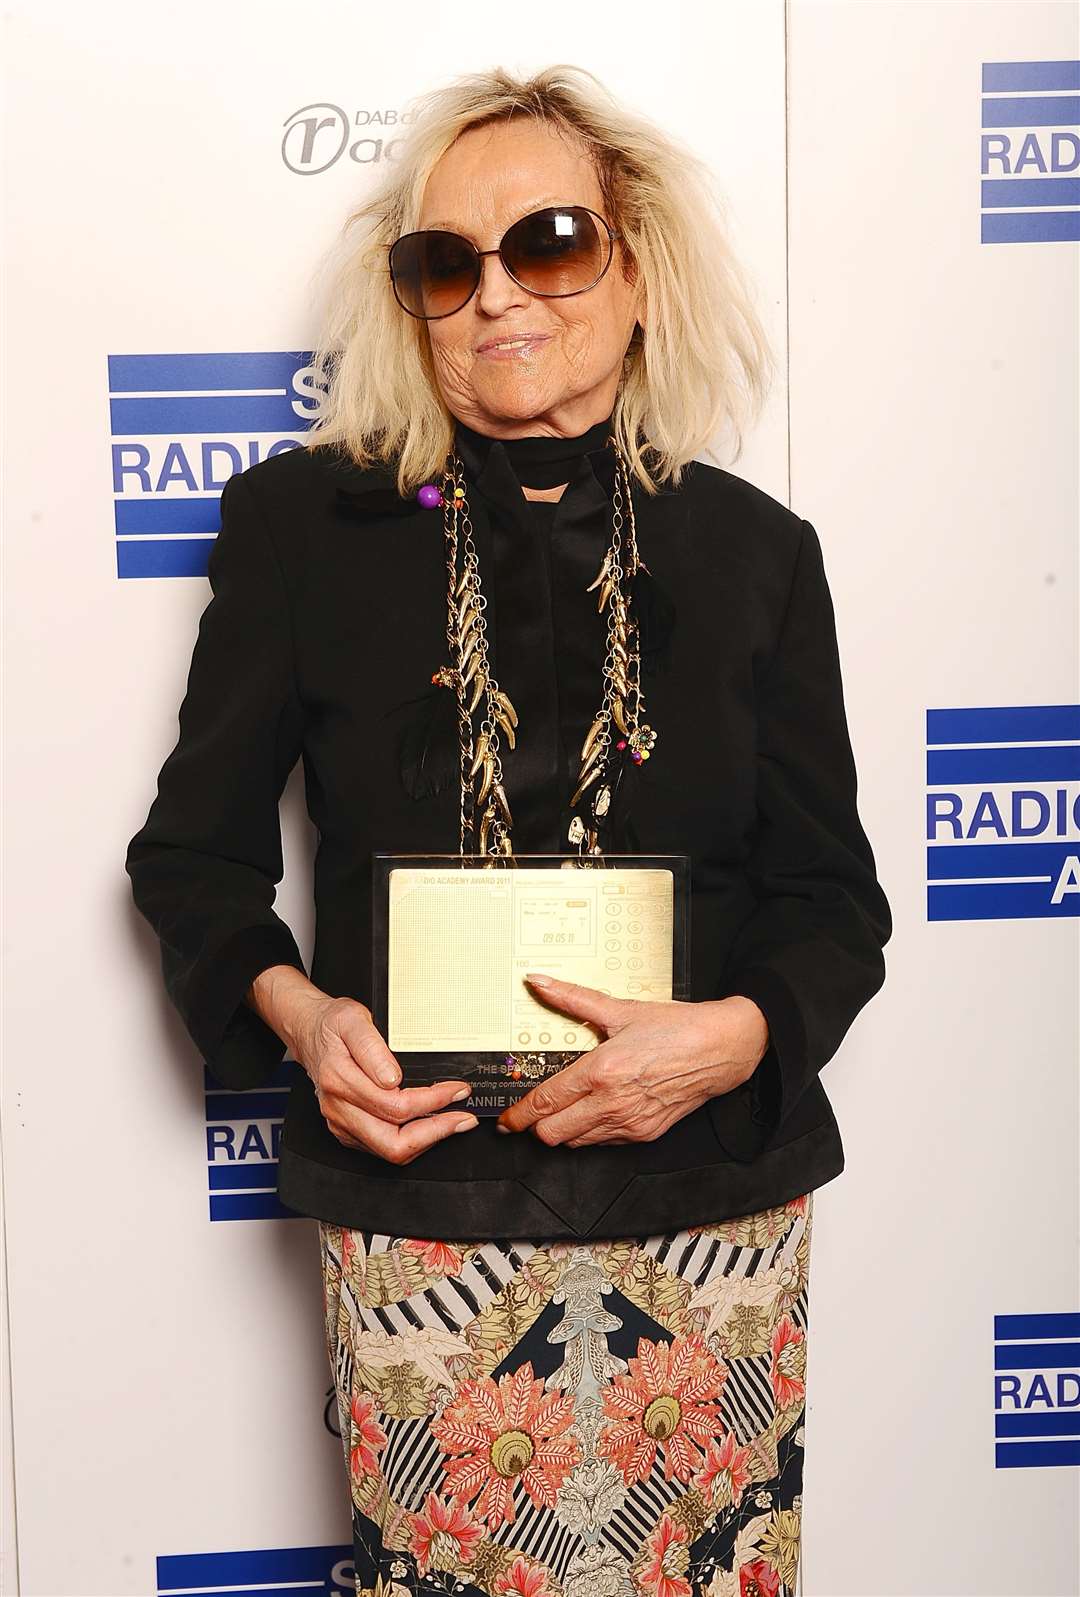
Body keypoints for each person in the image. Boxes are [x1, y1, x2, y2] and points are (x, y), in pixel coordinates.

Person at [125, 64, 892, 1597]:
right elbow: (192, 859)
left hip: (713, 1215)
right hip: (423, 1222)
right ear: (410, 301)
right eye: (445, 262)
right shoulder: (298, 532)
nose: (497, 294)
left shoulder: (758, 556)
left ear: (635, 270)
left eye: (547, 241)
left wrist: (734, 1035)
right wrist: (298, 1011)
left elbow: (834, 906)